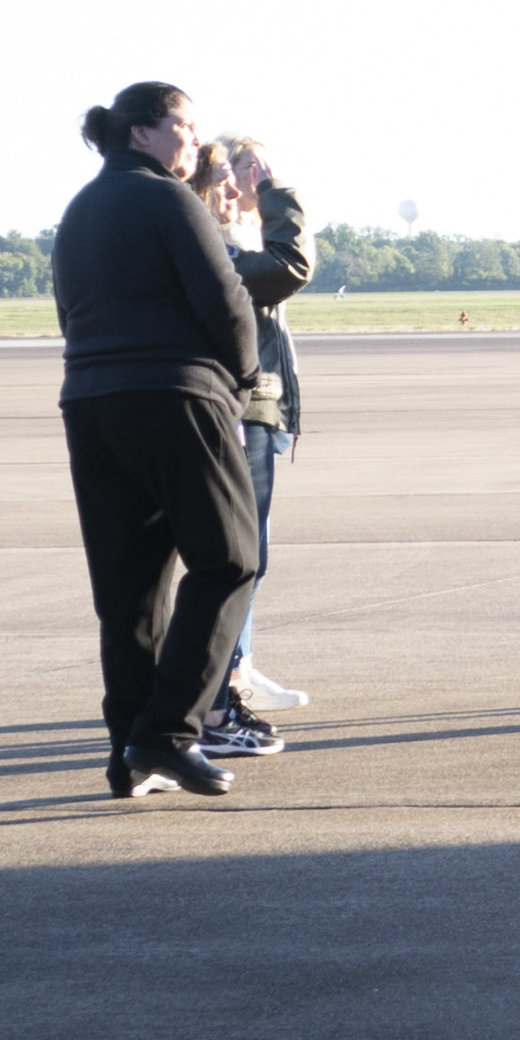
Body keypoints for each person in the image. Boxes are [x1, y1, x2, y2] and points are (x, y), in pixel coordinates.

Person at [53, 80, 263, 802]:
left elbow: (68, 314)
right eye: (185, 125)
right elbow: (226, 300)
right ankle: (170, 734)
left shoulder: (79, 210)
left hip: (91, 402)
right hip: (176, 397)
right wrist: (241, 380)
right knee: (230, 560)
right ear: (142, 131)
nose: (195, 141)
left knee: (130, 591)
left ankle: (128, 752)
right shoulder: (168, 199)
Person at [186, 131, 317, 746]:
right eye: (242, 171)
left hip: (259, 409)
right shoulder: (212, 245)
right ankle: (217, 690)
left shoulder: (230, 241)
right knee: (240, 556)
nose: (248, 185)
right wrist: (276, 191)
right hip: (240, 412)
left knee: (251, 557)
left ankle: (231, 669)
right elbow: (291, 268)